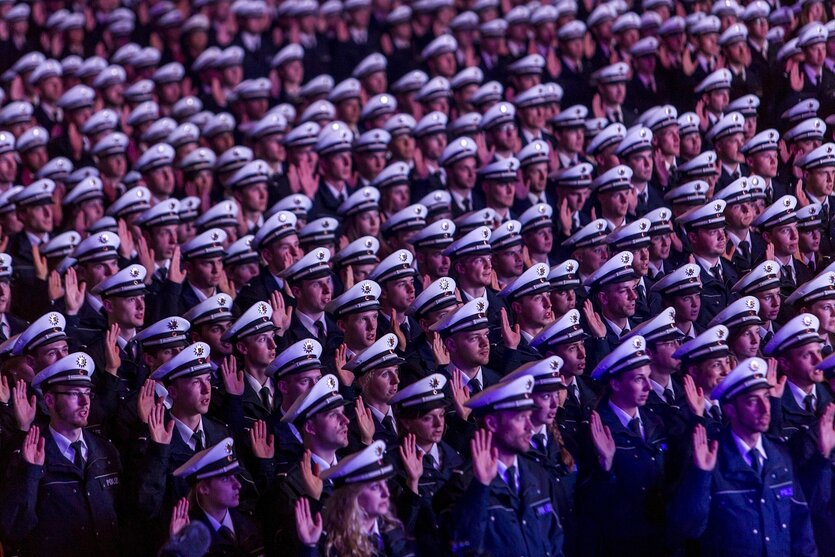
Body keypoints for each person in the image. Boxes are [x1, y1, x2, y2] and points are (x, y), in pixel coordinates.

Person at [669, 357, 819, 557]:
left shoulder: (780, 455)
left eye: (766, 397)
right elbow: (689, 528)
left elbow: (800, 525)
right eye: (752, 401)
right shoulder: (711, 456)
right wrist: (700, 476)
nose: (765, 408)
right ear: (730, 409)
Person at [0, 352, 123, 557]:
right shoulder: (30, 451)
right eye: (74, 393)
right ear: (49, 400)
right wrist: (30, 472)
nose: (85, 402)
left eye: (87, 393)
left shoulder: (105, 450)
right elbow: (13, 528)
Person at [434, 374, 565, 557]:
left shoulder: (538, 474)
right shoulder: (463, 483)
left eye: (529, 417)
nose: (529, 426)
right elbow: (459, 546)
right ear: (492, 423)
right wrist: (480, 488)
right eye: (520, 418)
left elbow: (555, 540)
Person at [295, 440, 416, 557]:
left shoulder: (393, 532)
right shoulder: (328, 543)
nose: (386, 493)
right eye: (375, 487)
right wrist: (309, 548)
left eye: (385, 484)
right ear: (351, 496)